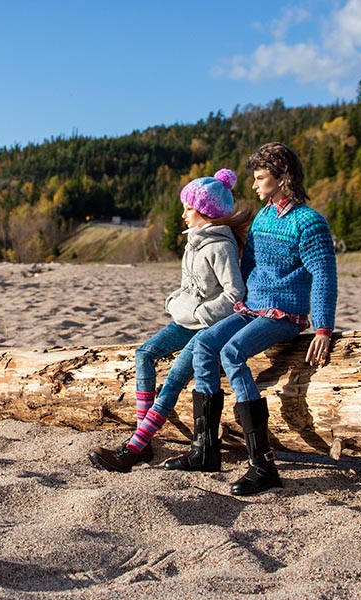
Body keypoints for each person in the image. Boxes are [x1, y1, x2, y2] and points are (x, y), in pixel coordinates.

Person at [186, 142, 337, 495]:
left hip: (285, 313)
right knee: (205, 344)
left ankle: (262, 463)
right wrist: (233, 305)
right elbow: (248, 266)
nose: (254, 185)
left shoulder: (309, 221)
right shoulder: (264, 217)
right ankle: (205, 449)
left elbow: (324, 275)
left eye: (260, 177)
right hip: (251, 308)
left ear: (283, 177)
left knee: (232, 352)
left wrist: (323, 328)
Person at [87, 168, 253, 473]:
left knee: (175, 377)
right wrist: (174, 301)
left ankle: (132, 449)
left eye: (188, 208)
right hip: (185, 321)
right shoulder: (194, 241)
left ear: (205, 212)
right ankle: (144, 442)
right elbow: (189, 286)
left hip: (208, 326)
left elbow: (234, 294)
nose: (183, 215)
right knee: (144, 354)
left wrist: (202, 314)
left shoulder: (220, 246)